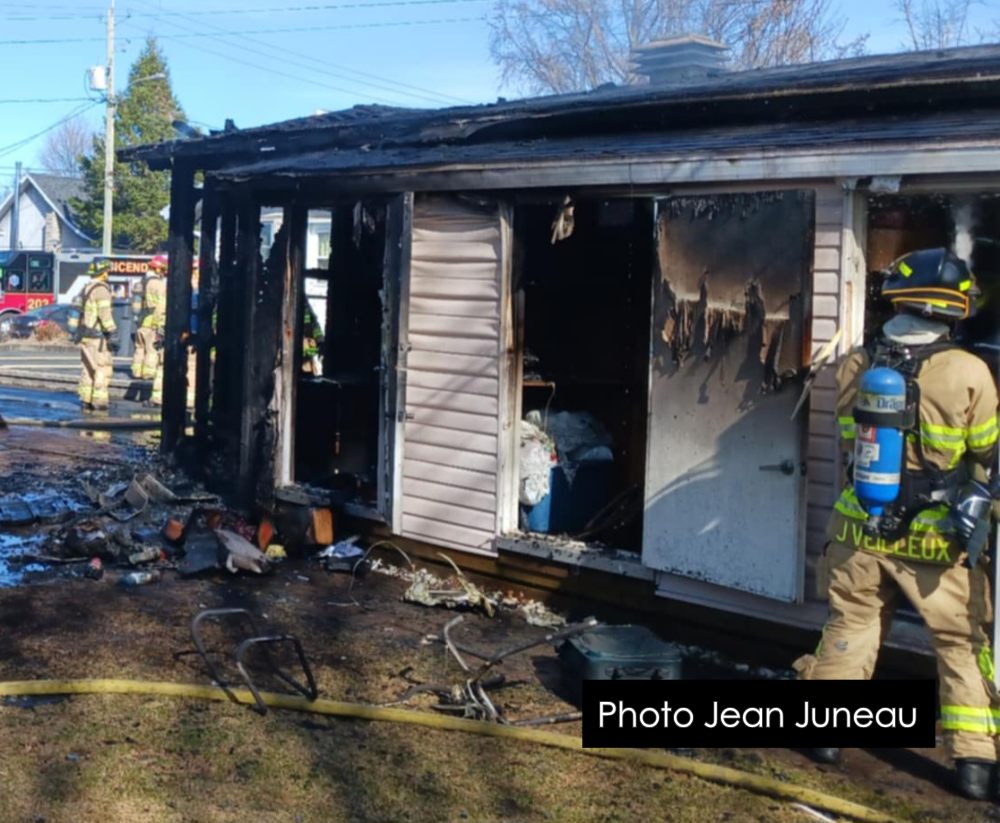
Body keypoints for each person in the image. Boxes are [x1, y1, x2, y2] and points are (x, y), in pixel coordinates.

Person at [794, 248, 1000, 800]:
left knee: (850, 627)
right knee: (959, 643)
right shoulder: (970, 371)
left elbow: (847, 445)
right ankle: (975, 766)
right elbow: (987, 454)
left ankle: (824, 737)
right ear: (952, 306)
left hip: (859, 528)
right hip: (938, 542)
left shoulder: (856, 365)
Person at [73, 259, 119, 411]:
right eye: (107, 271)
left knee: (87, 368)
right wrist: (112, 332)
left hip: (85, 336)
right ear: (103, 272)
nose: (108, 274)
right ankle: (99, 401)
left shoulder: (86, 288)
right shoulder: (101, 290)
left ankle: (86, 399)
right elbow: (104, 314)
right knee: (102, 367)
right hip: (97, 338)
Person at [131, 255, 167, 383]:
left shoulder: (141, 282)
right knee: (152, 348)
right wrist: (158, 324)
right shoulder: (158, 284)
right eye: (163, 269)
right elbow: (161, 306)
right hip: (152, 320)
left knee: (139, 347)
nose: (164, 272)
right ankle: (148, 373)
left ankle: (136, 371)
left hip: (141, 320)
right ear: (158, 269)